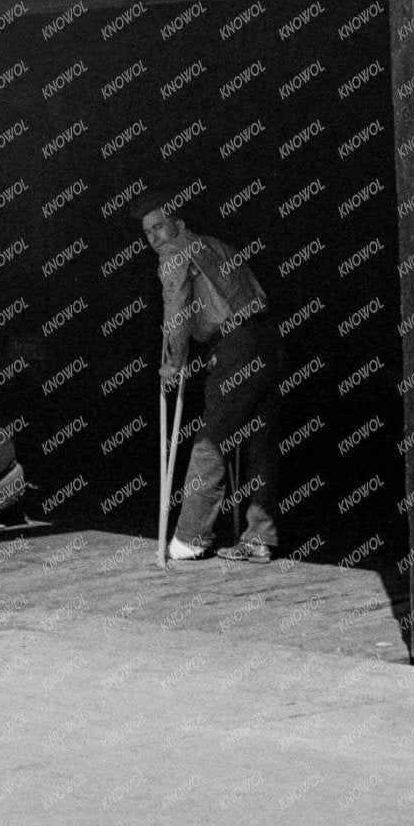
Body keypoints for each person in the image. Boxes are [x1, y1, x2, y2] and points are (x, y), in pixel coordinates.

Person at [139, 194, 279, 563]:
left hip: (234, 347)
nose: (155, 237)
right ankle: (260, 537)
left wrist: (173, 363)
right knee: (257, 442)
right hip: (266, 340)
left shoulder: (174, 254)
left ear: (178, 224)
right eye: (148, 232)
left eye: (159, 226)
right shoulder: (215, 245)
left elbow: (178, 312)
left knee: (211, 441)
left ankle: (191, 538)